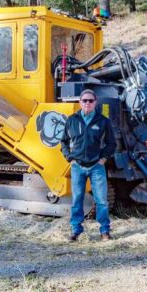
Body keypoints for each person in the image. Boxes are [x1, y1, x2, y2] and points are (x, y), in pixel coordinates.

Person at [60, 89, 116, 241]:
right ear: (80, 102)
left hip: (96, 166)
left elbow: (111, 143)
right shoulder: (72, 120)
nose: (87, 103)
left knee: (102, 201)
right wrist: (69, 158)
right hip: (77, 166)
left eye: (90, 100)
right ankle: (76, 230)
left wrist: (103, 159)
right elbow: (63, 142)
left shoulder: (102, 121)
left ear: (95, 103)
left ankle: (104, 231)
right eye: (84, 100)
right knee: (77, 200)